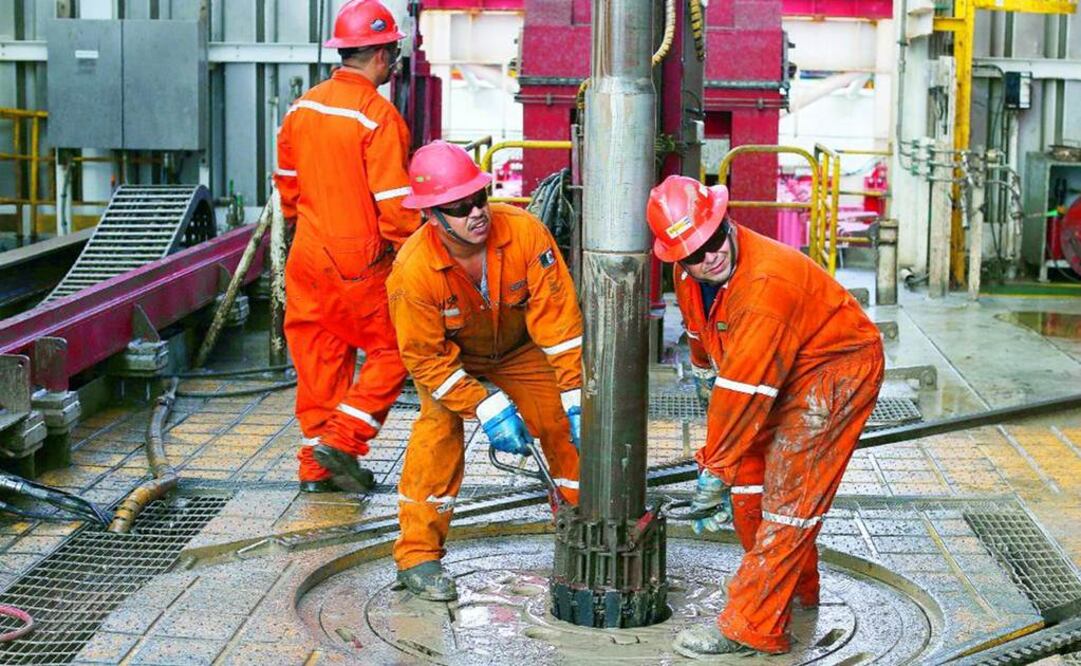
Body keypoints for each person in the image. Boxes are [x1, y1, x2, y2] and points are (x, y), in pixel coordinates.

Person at [646, 175, 885, 657]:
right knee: (750, 488)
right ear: (677, 259)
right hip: (780, 367)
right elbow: (703, 333)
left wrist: (713, 468)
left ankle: (751, 627)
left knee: (788, 502)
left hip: (832, 370)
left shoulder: (764, 285)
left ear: (724, 220)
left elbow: (745, 393)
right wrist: (702, 372)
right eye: (693, 253)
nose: (709, 255)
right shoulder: (691, 271)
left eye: (714, 239)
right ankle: (796, 590)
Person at [386, 141, 583, 601]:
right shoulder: (412, 272)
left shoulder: (525, 233)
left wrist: (574, 392)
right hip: (451, 360)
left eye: (480, 198)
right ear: (431, 215)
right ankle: (418, 558)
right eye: (459, 207)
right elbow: (425, 359)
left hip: (519, 348)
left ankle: (578, 524)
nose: (477, 213)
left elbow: (560, 324)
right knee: (436, 434)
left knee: (564, 423)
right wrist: (487, 406)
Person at [274, 0, 420, 494]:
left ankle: (316, 470)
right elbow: (397, 208)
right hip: (358, 260)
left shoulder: (303, 107)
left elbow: (287, 187)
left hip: (307, 254)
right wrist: (415, 258)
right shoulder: (377, 116)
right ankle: (343, 440)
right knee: (396, 347)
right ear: (381, 55)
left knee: (319, 357)